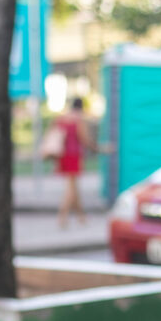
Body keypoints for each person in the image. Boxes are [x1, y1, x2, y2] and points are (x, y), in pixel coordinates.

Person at [52, 97, 102, 228]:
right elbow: (84, 139)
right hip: (74, 155)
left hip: (62, 155)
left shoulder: (62, 118)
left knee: (74, 187)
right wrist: (97, 148)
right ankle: (62, 217)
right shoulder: (78, 120)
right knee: (71, 188)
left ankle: (81, 217)